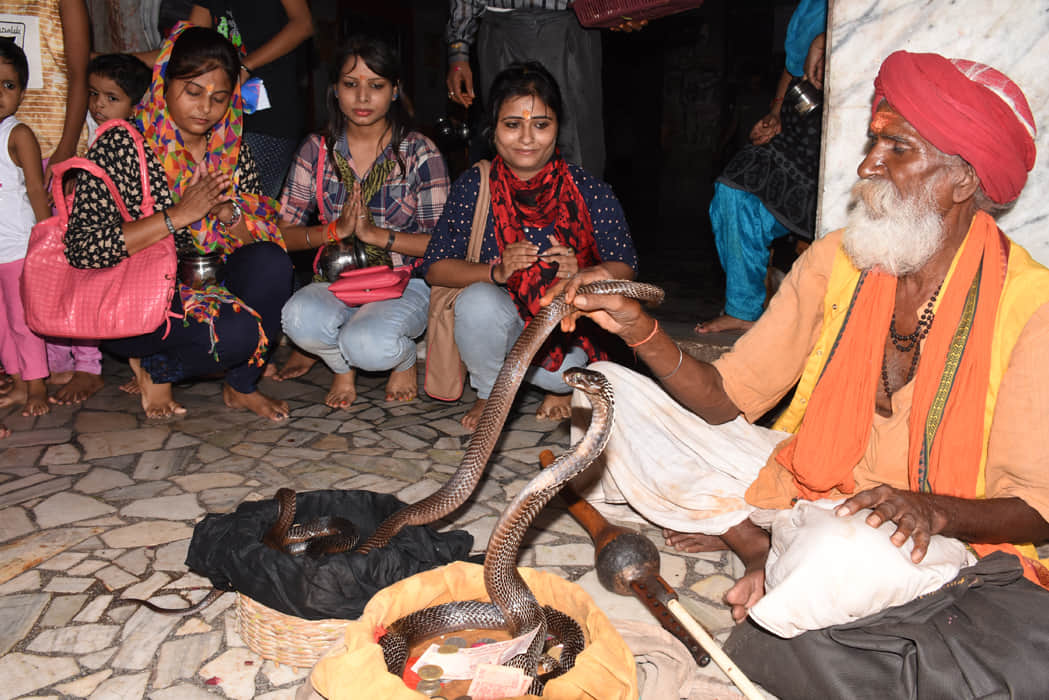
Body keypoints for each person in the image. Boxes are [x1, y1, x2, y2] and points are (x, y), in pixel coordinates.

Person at [554, 50, 1049, 626]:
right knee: (603, 394)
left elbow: (1035, 510)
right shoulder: (839, 257)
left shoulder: (1029, 305)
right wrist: (639, 329)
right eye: (873, 142)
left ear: (963, 179)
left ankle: (774, 550)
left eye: (897, 147)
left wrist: (932, 510)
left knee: (840, 553)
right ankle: (760, 546)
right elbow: (724, 399)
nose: (867, 165)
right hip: (806, 480)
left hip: (925, 528)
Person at [64, 23, 294, 420]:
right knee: (235, 334)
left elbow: (262, 236)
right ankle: (156, 366)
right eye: (193, 91)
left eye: (219, 98)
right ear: (164, 83)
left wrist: (228, 214)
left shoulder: (231, 150)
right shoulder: (122, 144)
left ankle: (241, 386)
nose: (206, 108)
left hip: (208, 285)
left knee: (272, 262)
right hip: (137, 303)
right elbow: (83, 249)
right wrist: (178, 215)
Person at [423, 61, 638, 431]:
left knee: (564, 376)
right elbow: (435, 267)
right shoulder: (474, 187)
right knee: (476, 303)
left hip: (567, 332)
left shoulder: (589, 190)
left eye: (540, 124)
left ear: (557, 128)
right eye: (512, 124)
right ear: (493, 129)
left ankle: (555, 387)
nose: (526, 138)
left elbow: (626, 267)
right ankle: (491, 392)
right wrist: (497, 272)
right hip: (504, 330)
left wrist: (584, 273)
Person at [276, 35, 449, 409]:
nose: (363, 97)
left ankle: (403, 358)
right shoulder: (316, 149)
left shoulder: (419, 151)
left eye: (376, 85)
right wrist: (333, 231)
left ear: (394, 90)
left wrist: (377, 235)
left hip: (404, 282)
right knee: (297, 318)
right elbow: (282, 234)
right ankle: (341, 367)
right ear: (335, 90)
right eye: (351, 84)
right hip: (337, 280)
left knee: (371, 345)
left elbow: (444, 245)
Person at [695, 0, 826, 335]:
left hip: (839, 132)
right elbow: (793, 66)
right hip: (796, 123)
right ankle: (743, 308)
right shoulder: (809, 6)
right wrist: (776, 112)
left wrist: (829, 38)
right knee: (734, 188)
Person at [445, 0, 605, 175]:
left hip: (568, 24)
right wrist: (458, 50)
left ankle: (579, 193)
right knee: (506, 145)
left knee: (575, 149)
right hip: (498, 25)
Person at [188, 0, 314, 199]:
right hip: (222, 115)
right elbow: (188, 41)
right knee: (216, 202)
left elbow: (303, 24)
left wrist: (245, 65)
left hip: (270, 114)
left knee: (251, 206)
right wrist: (137, 62)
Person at [0, 40, 52, 430]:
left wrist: (48, 240)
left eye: (8, 85)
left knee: (22, 319)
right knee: (2, 323)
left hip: (19, 246)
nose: (0, 94)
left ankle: (36, 384)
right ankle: (18, 380)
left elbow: (36, 189)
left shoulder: (17, 134)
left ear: (21, 92)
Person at [85, 53, 152, 143]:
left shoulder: (129, 140)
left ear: (135, 106)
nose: (98, 103)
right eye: (94, 93)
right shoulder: (85, 122)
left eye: (112, 98)